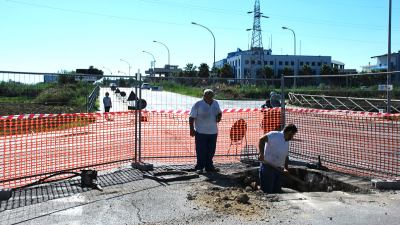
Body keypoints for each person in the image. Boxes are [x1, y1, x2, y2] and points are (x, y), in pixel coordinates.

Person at [189, 89, 222, 174]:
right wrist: (192, 129)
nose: (210, 98)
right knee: (201, 150)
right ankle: (199, 167)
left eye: (211, 96)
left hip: (213, 132)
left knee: (211, 151)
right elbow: (191, 117)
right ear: (204, 96)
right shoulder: (198, 104)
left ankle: (209, 167)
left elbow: (219, 112)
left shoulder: (215, 103)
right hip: (201, 132)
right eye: (208, 96)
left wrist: (219, 117)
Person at [258, 124, 298, 193]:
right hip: (268, 168)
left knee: (277, 192)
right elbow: (262, 139)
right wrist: (261, 153)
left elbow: (285, 156)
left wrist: (286, 168)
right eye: (292, 135)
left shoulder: (286, 141)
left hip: (278, 170)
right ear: (289, 132)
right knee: (268, 191)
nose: (292, 137)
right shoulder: (275, 135)